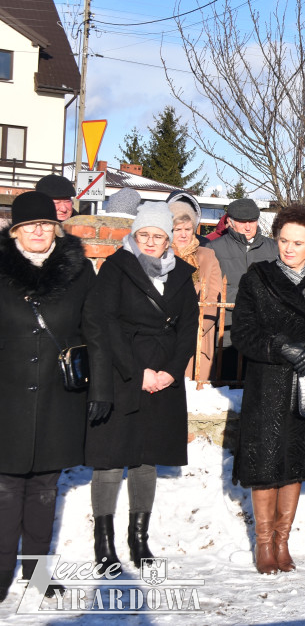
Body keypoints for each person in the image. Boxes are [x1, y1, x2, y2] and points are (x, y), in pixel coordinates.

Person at [82, 202, 199, 576]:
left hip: (164, 375)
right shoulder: (116, 268)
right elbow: (103, 323)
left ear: (168, 240)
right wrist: (138, 372)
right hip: (123, 371)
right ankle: (104, 545)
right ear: (133, 235)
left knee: (147, 457)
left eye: (158, 236)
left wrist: (171, 372)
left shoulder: (181, 273)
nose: (150, 241)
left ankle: (139, 540)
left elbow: (188, 327)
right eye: (144, 234)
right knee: (111, 457)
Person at [231, 204, 305, 574]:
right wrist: (279, 346)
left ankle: (283, 541)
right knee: (265, 465)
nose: (289, 248)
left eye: (298, 242)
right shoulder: (257, 278)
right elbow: (243, 333)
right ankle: (264, 543)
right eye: (283, 240)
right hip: (268, 386)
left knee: (295, 464)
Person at [0, 192, 95, 601]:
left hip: (59, 397)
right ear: (15, 231)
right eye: (28, 226)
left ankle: (36, 573)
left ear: (55, 227)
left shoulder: (80, 271)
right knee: (5, 489)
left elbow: (95, 329)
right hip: (7, 397)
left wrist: (99, 387)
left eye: (45, 224)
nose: (38, 231)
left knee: (44, 488)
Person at [208, 198, 277, 379]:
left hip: (263, 332)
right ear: (230, 222)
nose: (248, 227)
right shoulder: (213, 248)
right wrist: (248, 297)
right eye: (242, 221)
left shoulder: (274, 249)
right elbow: (211, 290)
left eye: (252, 221)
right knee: (226, 384)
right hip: (227, 331)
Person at [170, 201, 224, 382]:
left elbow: (214, 296)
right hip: (166, 337)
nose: (183, 234)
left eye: (188, 229)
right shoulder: (161, 256)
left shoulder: (207, 255)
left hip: (198, 336)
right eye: (178, 229)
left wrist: (199, 327)